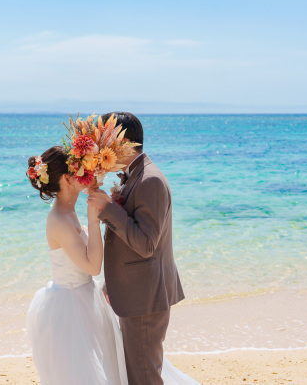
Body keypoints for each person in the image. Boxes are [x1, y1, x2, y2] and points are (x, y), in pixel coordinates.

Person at [26, 145, 198, 385]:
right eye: (82, 169)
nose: (89, 172)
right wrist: (94, 220)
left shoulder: (69, 212)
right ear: (67, 179)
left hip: (87, 299)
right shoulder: (59, 219)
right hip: (71, 307)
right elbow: (93, 266)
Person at [87, 112, 186, 385]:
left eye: (103, 141)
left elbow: (146, 244)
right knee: (139, 373)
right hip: (139, 293)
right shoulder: (135, 176)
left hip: (145, 298)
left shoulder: (149, 180)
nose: (97, 149)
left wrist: (107, 209)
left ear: (124, 142)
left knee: (143, 377)